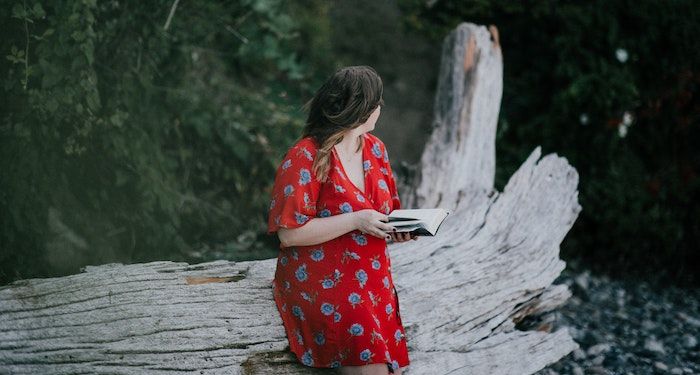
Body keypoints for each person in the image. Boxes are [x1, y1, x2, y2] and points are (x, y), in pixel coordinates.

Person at [267, 66, 417, 374]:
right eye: (377, 102)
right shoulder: (305, 155)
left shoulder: (376, 149)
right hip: (322, 281)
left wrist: (397, 230)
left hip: (373, 281)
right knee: (370, 367)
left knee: (390, 370)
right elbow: (289, 235)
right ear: (361, 108)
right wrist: (356, 220)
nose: (380, 109)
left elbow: (384, 213)